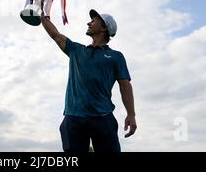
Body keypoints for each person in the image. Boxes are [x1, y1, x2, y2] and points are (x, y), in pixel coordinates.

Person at [41, 9, 137, 152]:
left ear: (104, 28)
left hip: (103, 117)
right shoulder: (76, 50)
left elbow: (125, 86)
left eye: (93, 21)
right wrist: (42, 16)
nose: (89, 22)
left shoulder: (116, 56)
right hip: (73, 117)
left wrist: (131, 114)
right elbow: (56, 35)